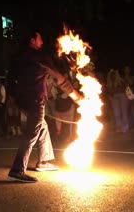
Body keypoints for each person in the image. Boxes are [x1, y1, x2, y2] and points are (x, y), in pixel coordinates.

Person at [7, 31, 82, 183]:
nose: (42, 41)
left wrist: (13, 98)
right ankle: (17, 169)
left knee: (43, 127)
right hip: (35, 99)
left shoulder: (19, 57)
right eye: (40, 38)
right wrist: (76, 96)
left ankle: (44, 160)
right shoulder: (39, 57)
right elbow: (59, 77)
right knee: (32, 132)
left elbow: (10, 78)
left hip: (24, 100)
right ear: (33, 40)